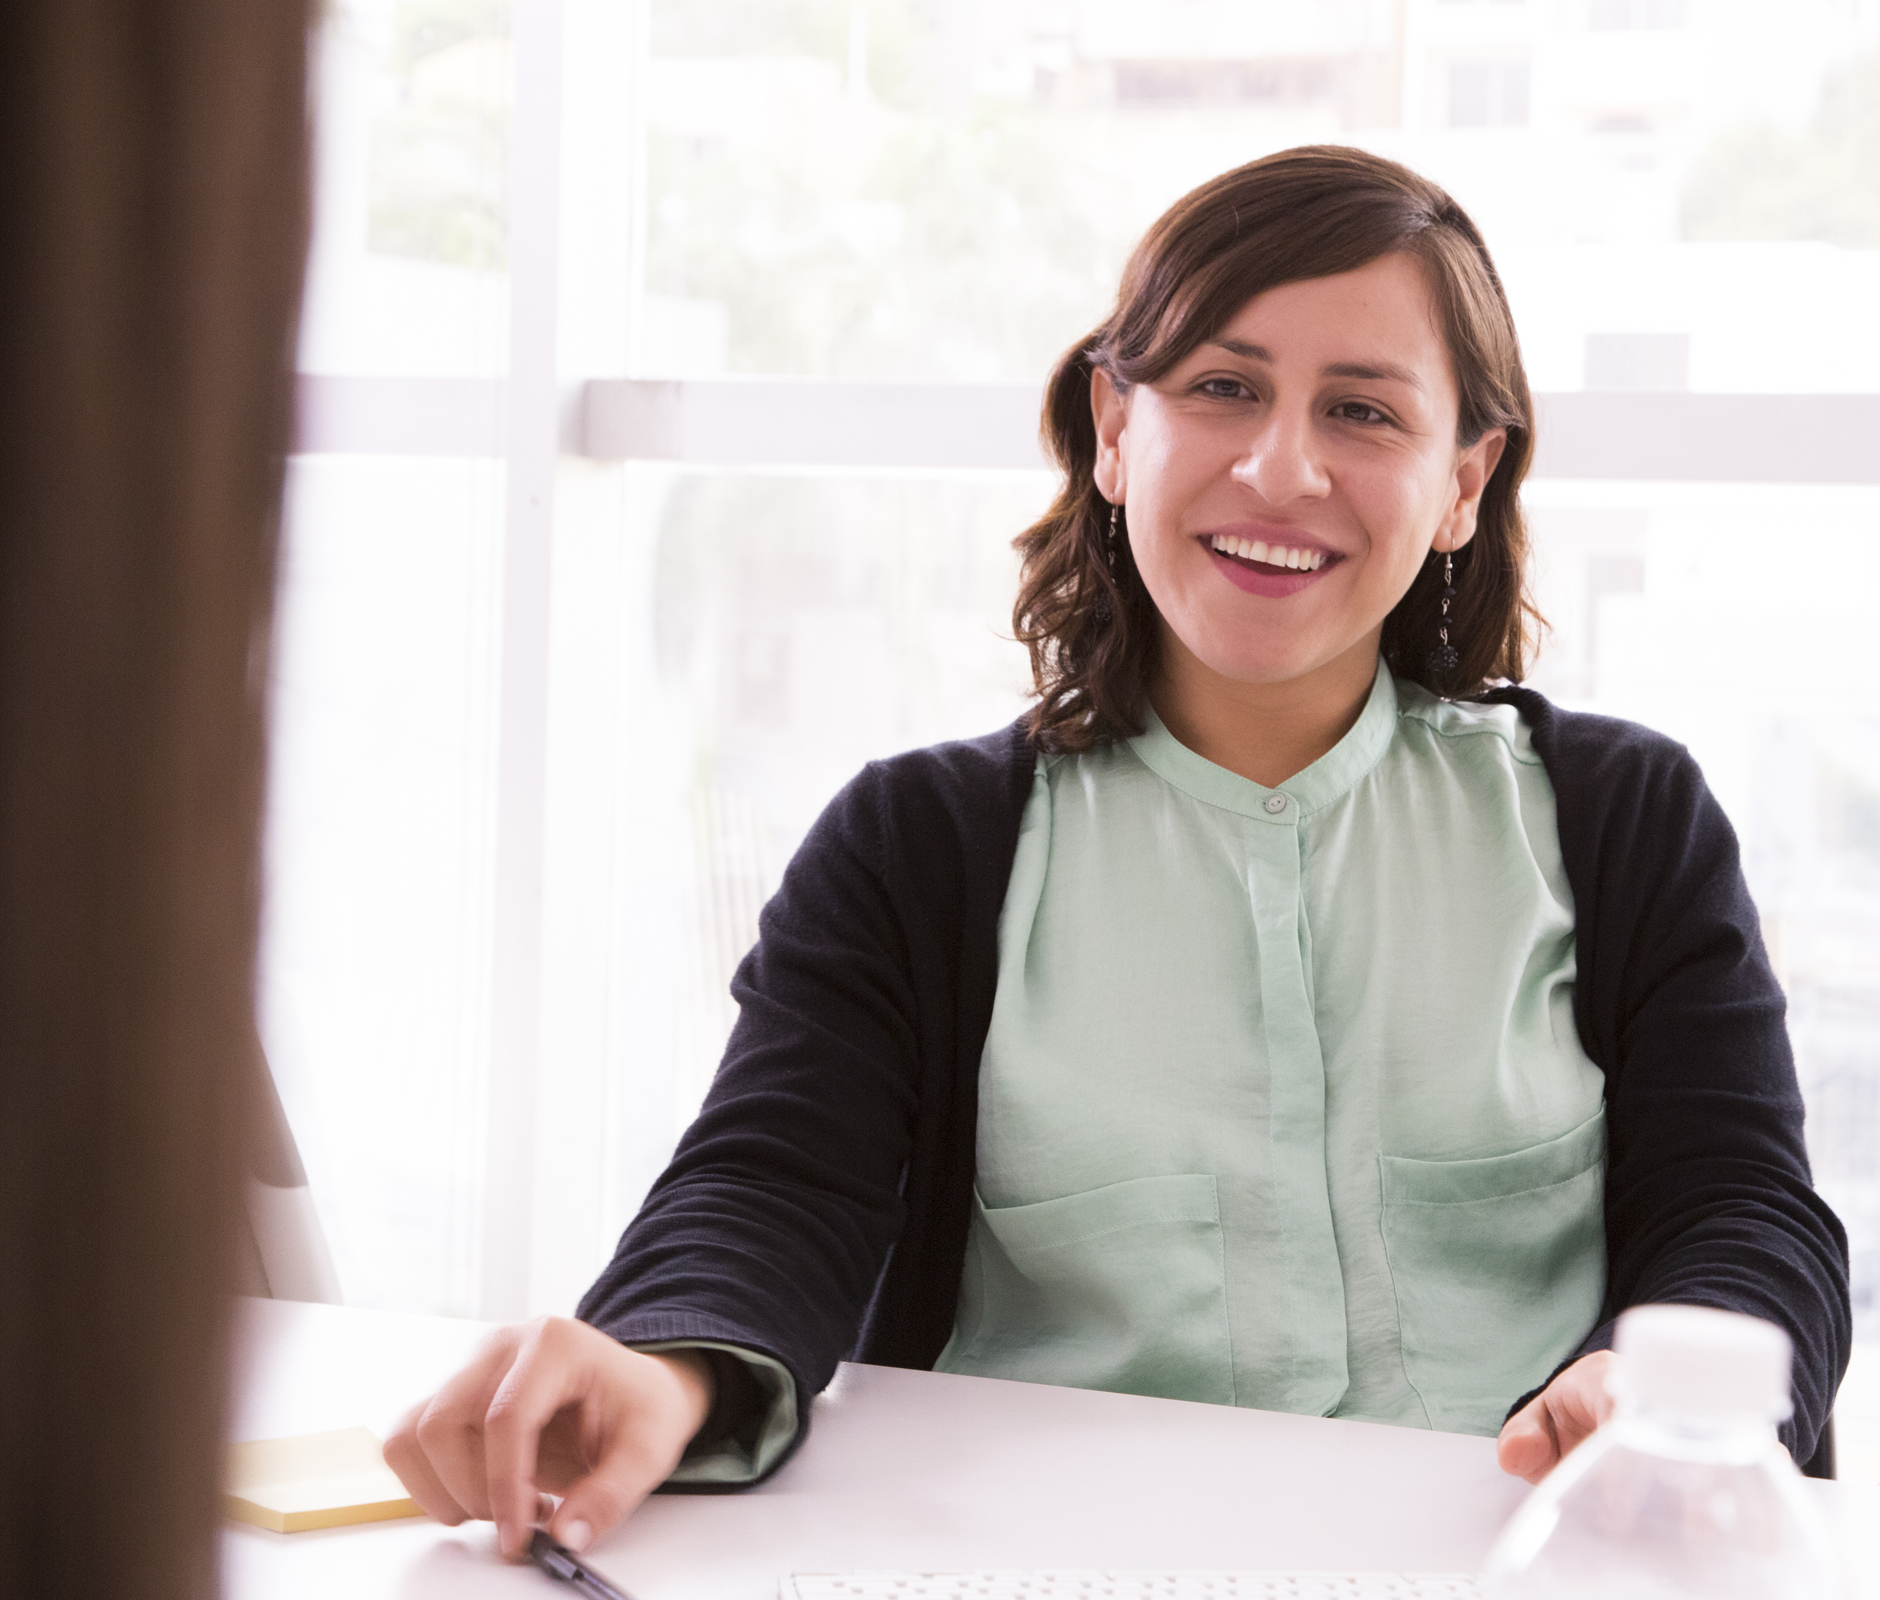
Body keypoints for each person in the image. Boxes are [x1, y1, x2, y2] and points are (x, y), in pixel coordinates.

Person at [384, 146, 1850, 1562]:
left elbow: (1744, 1209)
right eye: (1223, 387)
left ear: (1465, 480)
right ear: (1112, 428)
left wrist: (1649, 1400)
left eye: (1363, 413)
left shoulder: (1622, 820)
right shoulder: (917, 849)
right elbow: (771, 1188)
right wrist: (668, 1363)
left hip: (1511, 1557)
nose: (1283, 469)